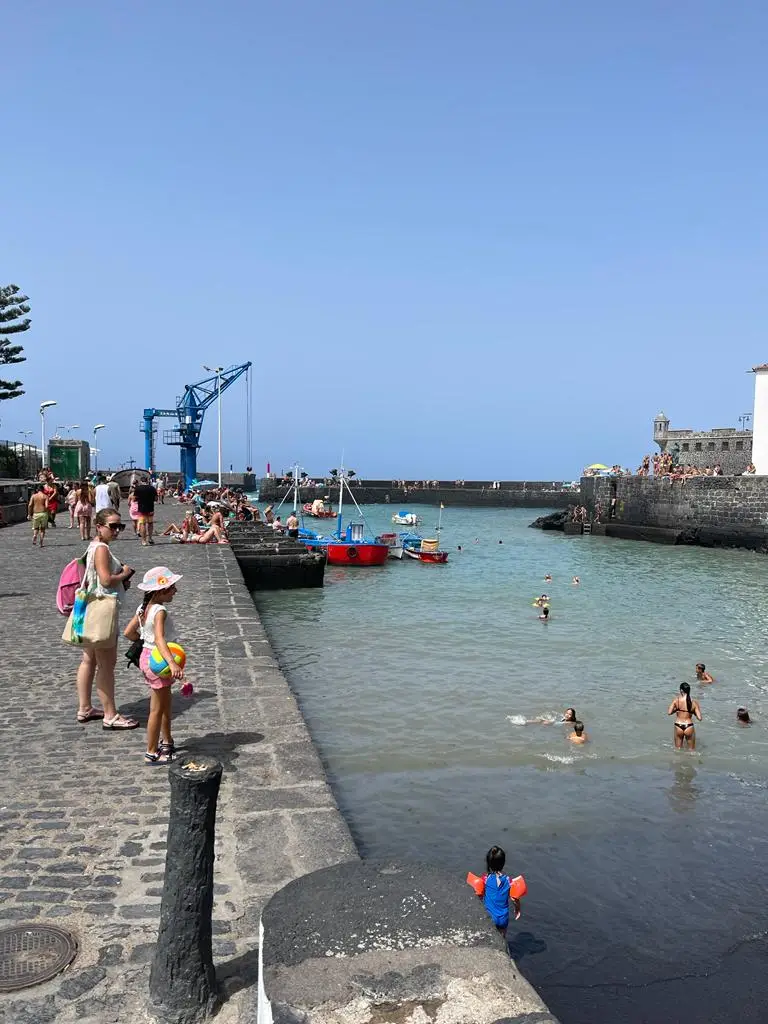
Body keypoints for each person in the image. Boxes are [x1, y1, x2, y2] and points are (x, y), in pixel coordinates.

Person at [75, 509, 138, 729]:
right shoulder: (102, 548)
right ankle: (110, 715)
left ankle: (85, 708)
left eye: (119, 526)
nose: (117, 531)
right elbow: (106, 579)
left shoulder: (93, 546)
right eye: (113, 526)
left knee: (89, 660)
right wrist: (125, 573)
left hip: (90, 608)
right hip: (102, 611)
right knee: (106, 665)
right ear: (99, 526)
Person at [124, 566, 184, 765]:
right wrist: (172, 663)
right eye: (172, 587)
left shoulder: (143, 607)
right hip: (158, 662)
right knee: (156, 710)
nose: (175, 591)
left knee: (166, 705)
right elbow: (160, 639)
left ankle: (167, 741)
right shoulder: (160, 611)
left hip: (147, 658)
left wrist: (144, 638)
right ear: (161, 590)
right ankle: (151, 750)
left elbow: (128, 633)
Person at [481, 845, 521, 939]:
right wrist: (517, 910)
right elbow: (514, 899)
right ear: (503, 863)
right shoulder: (509, 881)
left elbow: (479, 894)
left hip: (489, 916)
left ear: (488, 862)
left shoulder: (485, 879)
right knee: (502, 938)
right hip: (503, 918)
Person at [668, 682, 702, 750]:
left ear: (681, 690)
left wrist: (677, 709)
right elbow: (700, 718)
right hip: (688, 725)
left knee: (678, 750)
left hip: (678, 725)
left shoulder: (676, 700)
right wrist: (693, 712)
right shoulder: (694, 702)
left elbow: (669, 712)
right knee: (692, 751)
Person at [133, 475, 158, 546]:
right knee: (150, 523)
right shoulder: (152, 488)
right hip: (150, 508)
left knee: (142, 524)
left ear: (141, 481)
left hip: (142, 508)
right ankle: (150, 538)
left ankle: (144, 541)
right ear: (147, 481)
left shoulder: (138, 488)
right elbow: (156, 499)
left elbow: (134, 499)